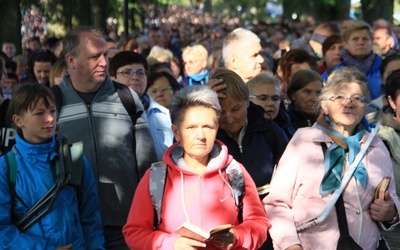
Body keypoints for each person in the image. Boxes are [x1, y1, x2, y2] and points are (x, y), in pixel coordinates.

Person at [264, 67, 400, 250]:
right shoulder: (303, 142)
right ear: (324, 105)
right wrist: (290, 245)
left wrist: (392, 212)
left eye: (357, 98)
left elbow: (390, 196)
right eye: (339, 97)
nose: (349, 103)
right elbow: (277, 203)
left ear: (365, 106)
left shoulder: (375, 145)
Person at [123, 85, 270, 249]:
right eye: (191, 127)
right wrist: (171, 244)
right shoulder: (157, 177)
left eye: (207, 127)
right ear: (176, 132)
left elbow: (259, 222)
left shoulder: (234, 171)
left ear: (217, 129)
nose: (200, 136)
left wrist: (237, 237)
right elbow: (134, 232)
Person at [55, 27, 157, 249]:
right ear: (71, 61)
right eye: (94, 56)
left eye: (105, 55)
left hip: (125, 225)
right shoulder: (52, 102)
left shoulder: (127, 98)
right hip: (73, 226)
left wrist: (153, 215)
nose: (104, 62)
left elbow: (149, 166)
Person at [0, 83, 104, 249]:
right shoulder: (6, 168)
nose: (49, 118)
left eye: (53, 111)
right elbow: (2, 231)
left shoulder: (74, 158)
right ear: (18, 120)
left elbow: (91, 218)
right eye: (39, 113)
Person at [211, 68, 288, 199]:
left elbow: (290, 174)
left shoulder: (268, 130)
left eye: (236, 109)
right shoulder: (207, 134)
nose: (229, 119)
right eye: (221, 112)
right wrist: (197, 101)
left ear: (247, 101)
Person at [109, 50, 173, 160]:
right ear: (112, 78)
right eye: (127, 72)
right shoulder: (105, 113)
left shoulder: (164, 115)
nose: (135, 77)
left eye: (140, 72)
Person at [326, 21, 383, 100]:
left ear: (372, 42)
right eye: (355, 39)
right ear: (345, 44)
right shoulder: (333, 73)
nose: (360, 42)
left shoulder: (384, 68)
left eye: (365, 39)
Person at [247, 72, 295, 139]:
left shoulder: (285, 123)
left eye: (275, 99)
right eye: (263, 98)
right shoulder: (242, 130)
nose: (271, 104)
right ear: (247, 100)